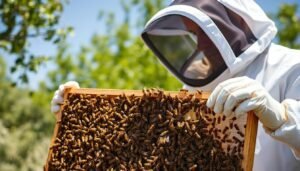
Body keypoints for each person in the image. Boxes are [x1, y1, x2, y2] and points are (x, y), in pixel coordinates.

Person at [51, 0, 300, 170]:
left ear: (234, 24)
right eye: (193, 34)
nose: (200, 45)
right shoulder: (196, 83)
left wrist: (281, 117)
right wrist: (78, 111)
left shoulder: (291, 65)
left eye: (205, 32)